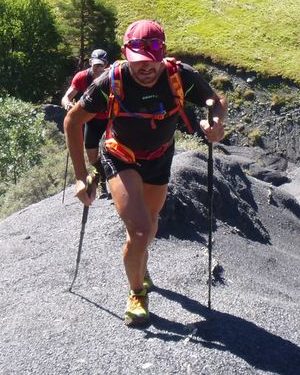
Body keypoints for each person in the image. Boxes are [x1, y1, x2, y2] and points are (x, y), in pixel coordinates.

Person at [64, 20, 226, 327]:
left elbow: (215, 102)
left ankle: (138, 261)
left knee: (148, 228)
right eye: (138, 62)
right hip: (120, 156)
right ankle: (137, 293)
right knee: (139, 230)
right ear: (126, 55)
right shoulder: (112, 80)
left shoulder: (179, 76)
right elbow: (73, 121)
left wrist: (215, 125)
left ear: (162, 54)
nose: (146, 69)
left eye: (152, 61)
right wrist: (80, 176)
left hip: (159, 159)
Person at [61, 48, 110, 169]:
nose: (98, 69)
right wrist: (68, 105)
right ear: (90, 62)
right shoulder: (82, 77)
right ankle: (101, 175)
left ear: (107, 65)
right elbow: (66, 97)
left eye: (101, 66)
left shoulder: (112, 76)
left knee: (113, 152)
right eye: (96, 65)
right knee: (92, 158)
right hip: (91, 121)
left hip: (110, 120)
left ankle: (111, 175)